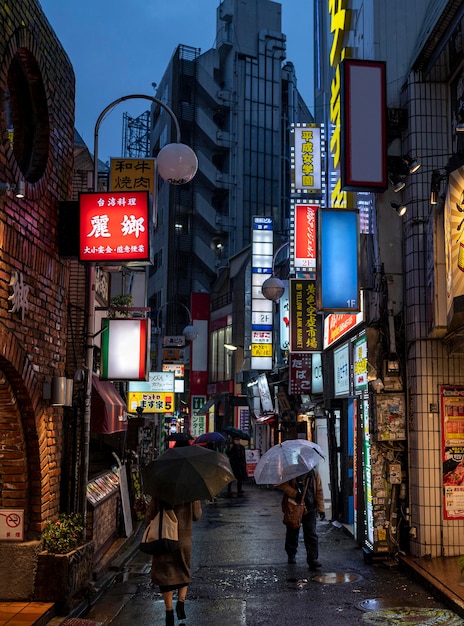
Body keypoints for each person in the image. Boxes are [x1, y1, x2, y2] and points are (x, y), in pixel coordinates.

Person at [145, 497, 202, 626]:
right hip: (183, 539)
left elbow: (150, 515)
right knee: (183, 568)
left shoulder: (160, 492)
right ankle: (181, 602)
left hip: (164, 537)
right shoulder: (190, 492)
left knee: (164, 573)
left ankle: (169, 610)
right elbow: (196, 516)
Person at [279, 468, 325, 570]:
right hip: (294, 507)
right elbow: (283, 485)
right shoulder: (292, 471)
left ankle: (313, 559)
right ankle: (291, 554)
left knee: (311, 534)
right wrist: (295, 494)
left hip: (310, 508)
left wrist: (321, 509)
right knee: (292, 530)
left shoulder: (314, 473)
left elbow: (319, 491)